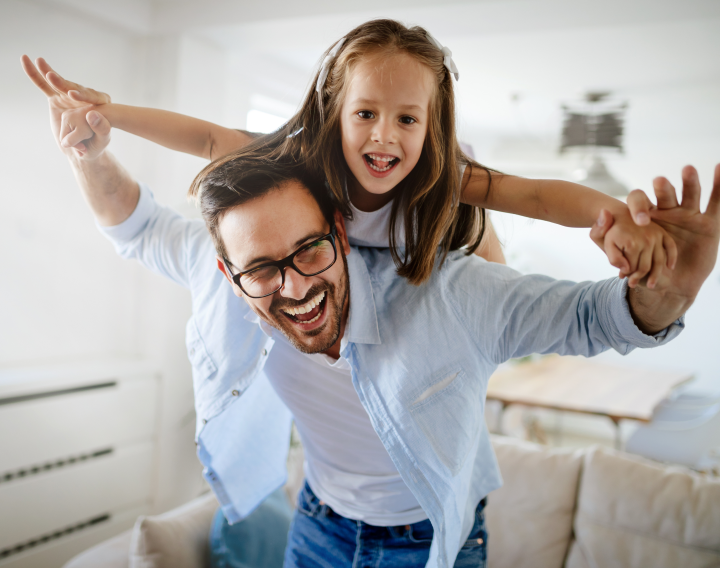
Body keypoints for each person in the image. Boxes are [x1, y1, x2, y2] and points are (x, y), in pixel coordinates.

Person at [22, 49, 720, 568]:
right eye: (261, 268)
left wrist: (666, 292)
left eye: (309, 252)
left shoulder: (450, 291)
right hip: (318, 525)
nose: (292, 286)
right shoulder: (226, 276)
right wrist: (88, 148)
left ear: (342, 229)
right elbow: (137, 226)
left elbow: (595, 315)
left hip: (431, 541)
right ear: (227, 273)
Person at [34, 19, 675, 290]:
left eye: (406, 119)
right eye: (365, 114)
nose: (383, 137)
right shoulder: (305, 159)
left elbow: (533, 193)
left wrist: (613, 215)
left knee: (483, 250)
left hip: (441, 236)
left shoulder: (440, 174)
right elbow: (206, 138)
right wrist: (108, 115)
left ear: (431, 125)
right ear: (335, 114)